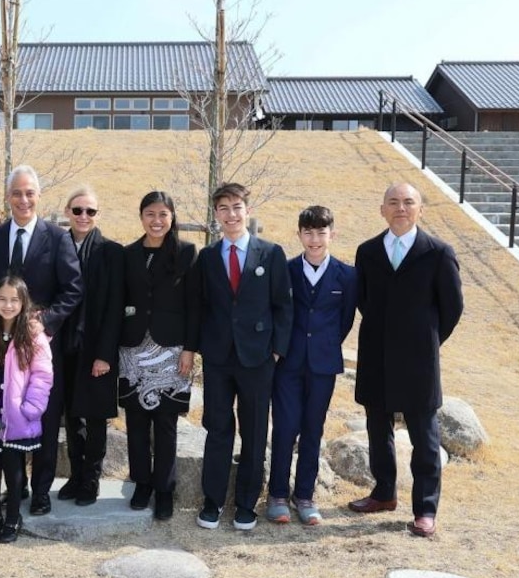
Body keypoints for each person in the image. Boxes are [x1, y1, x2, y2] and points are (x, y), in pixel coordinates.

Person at [349, 182, 463, 538]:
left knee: (425, 439)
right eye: (394, 202)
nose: (401, 208)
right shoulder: (367, 251)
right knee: (377, 429)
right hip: (376, 355)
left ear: (420, 209)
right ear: (382, 209)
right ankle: (384, 493)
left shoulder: (438, 253)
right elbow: (363, 300)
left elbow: (452, 308)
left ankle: (425, 509)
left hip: (418, 362)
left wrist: (426, 340)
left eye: (408, 202)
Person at [0, 165, 82, 515]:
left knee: (44, 417)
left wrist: (45, 323)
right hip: (0, 349)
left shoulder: (57, 237)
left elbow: (73, 288)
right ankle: (14, 486)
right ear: (8, 197)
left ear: (39, 196)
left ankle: (41, 490)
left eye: (29, 192)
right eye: (17, 193)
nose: (23, 199)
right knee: (9, 414)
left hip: (42, 347)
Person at [196, 182, 292, 531]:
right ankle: (213, 500)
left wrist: (277, 349)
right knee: (218, 428)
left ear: (246, 211)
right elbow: (200, 307)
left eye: (237, 207)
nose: (231, 214)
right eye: (224, 208)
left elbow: (283, 304)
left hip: (258, 358)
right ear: (217, 215)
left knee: (253, 431)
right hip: (219, 358)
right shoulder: (207, 257)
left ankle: (247, 503)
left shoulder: (271, 253)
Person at [266, 206, 357, 526]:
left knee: (312, 430)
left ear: (333, 234)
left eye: (321, 232)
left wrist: (323, 345)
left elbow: (344, 320)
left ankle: (304, 495)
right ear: (299, 234)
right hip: (287, 363)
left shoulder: (347, 275)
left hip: (323, 364)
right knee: (285, 427)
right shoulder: (286, 270)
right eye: (308, 232)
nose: (315, 239)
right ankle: (277, 493)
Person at [118, 192, 200, 521]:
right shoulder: (128, 254)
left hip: (172, 351)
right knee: (135, 422)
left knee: (165, 423)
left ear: (172, 217)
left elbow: (195, 306)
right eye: (150, 213)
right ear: (141, 217)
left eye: (163, 214)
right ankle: (141, 483)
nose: (156, 220)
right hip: (133, 349)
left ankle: (164, 490)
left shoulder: (187, 253)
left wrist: (190, 350)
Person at [0, 276, 53, 543]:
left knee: (14, 465)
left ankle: (13, 517)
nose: (8, 305)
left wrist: (31, 408)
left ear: (23, 302)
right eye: (2, 299)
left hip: (20, 415)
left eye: (14, 300)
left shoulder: (34, 334)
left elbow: (43, 374)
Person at [58, 186, 124, 507]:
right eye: (77, 210)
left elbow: (115, 309)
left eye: (90, 211)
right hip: (63, 347)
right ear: (67, 212)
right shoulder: (57, 245)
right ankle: (74, 474)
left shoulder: (111, 252)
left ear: (98, 215)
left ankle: (92, 479)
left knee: (96, 417)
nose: (84, 216)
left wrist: (105, 354)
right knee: (72, 416)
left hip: (96, 348)